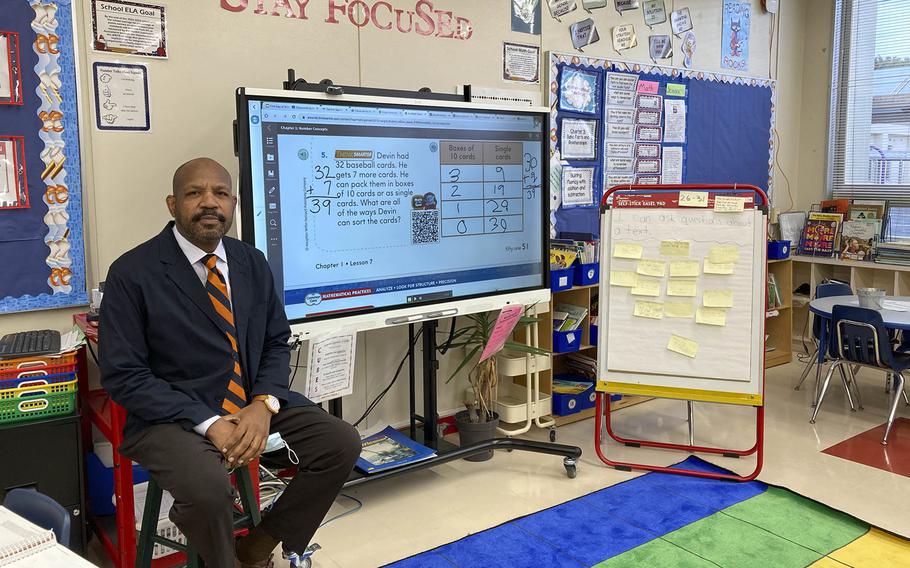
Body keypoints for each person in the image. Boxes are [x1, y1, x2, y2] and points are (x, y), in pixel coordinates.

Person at [100, 158, 361, 568]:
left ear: (233, 203)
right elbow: (124, 376)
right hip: (170, 417)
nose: (209, 203)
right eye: (194, 193)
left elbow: (277, 341)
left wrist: (264, 404)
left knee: (340, 443)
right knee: (207, 490)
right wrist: (210, 423)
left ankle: (257, 545)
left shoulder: (250, 261)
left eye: (220, 194)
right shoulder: (132, 273)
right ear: (172, 204)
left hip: (250, 401)